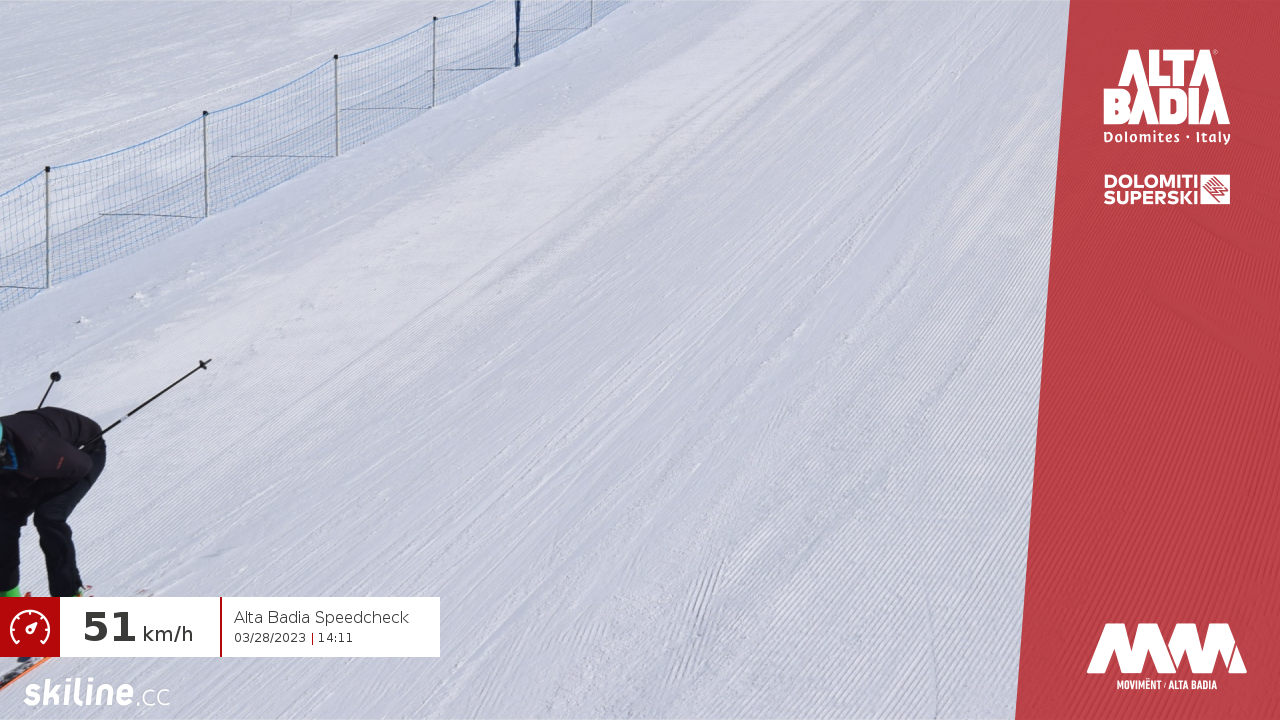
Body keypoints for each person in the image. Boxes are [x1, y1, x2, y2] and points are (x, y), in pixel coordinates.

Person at [0, 407, 104, 598]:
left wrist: (38, 490)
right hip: (31, 463)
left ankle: (68, 594)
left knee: (48, 517)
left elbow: (83, 466)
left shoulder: (38, 453)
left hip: (83, 453)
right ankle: (8, 596)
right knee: (3, 522)